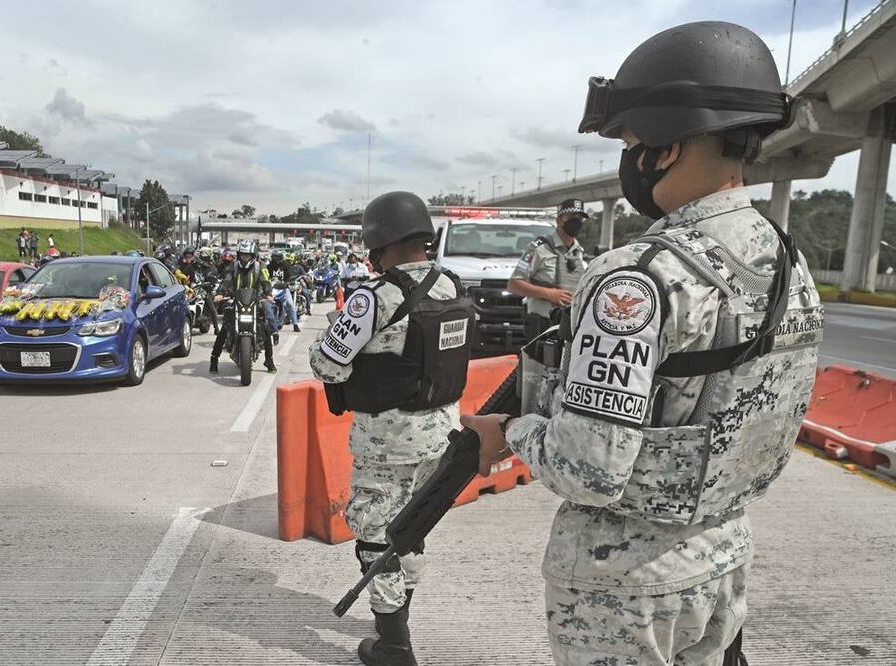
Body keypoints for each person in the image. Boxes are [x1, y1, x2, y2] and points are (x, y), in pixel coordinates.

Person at [460, 22, 821, 666]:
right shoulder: (788, 265)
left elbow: (589, 470)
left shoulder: (638, 275)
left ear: (665, 145)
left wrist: (506, 434)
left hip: (625, 589)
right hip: (722, 558)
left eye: (629, 141)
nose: (627, 158)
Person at [310, 191, 475, 666]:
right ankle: (398, 619)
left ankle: (393, 645)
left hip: (388, 442)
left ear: (378, 242)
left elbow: (329, 364)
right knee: (413, 529)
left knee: (376, 536)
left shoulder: (376, 297)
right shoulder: (453, 285)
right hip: (442, 435)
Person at [507, 199, 588, 339]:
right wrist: (549, 294)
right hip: (543, 326)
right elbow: (514, 284)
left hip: (571, 325)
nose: (577, 222)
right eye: (571, 217)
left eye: (580, 218)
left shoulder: (579, 251)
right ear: (559, 220)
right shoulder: (538, 248)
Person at [210, 239, 277, 374]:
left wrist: (268, 294)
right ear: (239, 255)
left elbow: (265, 281)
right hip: (236, 301)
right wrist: (220, 293)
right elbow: (227, 280)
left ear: (253, 256)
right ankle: (214, 359)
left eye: (248, 255)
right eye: (242, 255)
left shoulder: (260, 267)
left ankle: (269, 360)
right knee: (225, 327)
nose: (245, 258)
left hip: (255, 302)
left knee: (265, 329)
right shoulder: (233, 267)